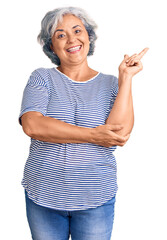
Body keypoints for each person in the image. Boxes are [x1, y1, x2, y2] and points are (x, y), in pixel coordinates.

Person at [18, 6, 149, 240]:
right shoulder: (42, 78)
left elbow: (120, 134)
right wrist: (92, 135)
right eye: (60, 34)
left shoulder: (111, 84)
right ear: (51, 46)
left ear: (88, 36)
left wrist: (126, 78)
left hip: (95, 198)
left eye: (77, 30)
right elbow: (33, 125)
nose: (71, 39)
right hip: (44, 195)